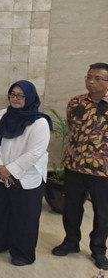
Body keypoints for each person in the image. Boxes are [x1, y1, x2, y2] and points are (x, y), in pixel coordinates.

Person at [0, 80, 52, 266]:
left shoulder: (40, 122)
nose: (15, 98)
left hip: (26, 176)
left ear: (29, 97)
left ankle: (23, 254)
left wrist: (10, 170)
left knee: (25, 217)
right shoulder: (1, 115)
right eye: (12, 94)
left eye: (20, 95)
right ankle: (0, 244)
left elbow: (34, 153)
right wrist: (0, 167)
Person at [52, 63, 108, 270]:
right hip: (74, 164)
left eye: (97, 79)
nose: (91, 82)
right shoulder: (75, 102)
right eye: (89, 77)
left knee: (103, 211)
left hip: (102, 169)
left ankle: (98, 249)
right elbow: (73, 128)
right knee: (72, 206)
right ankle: (71, 241)